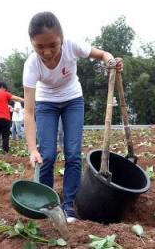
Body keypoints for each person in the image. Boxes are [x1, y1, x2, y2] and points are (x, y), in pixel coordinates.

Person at [23, 12, 124, 223]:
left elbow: (103, 54)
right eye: (39, 47)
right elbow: (29, 111)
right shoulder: (32, 65)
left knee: (73, 153)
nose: (47, 52)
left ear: (62, 38)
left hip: (72, 101)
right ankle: (47, 203)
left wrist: (112, 62)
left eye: (53, 45)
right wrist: (32, 149)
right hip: (46, 104)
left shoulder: (72, 47)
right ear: (32, 43)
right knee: (47, 155)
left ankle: (69, 205)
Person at [0, 82, 25, 153]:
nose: (5, 90)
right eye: (5, 89)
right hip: (4, 118)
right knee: (5, 135)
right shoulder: (4, 93)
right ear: (2, 87)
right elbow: (15, 98)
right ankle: (5, 151)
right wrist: (25, 100)